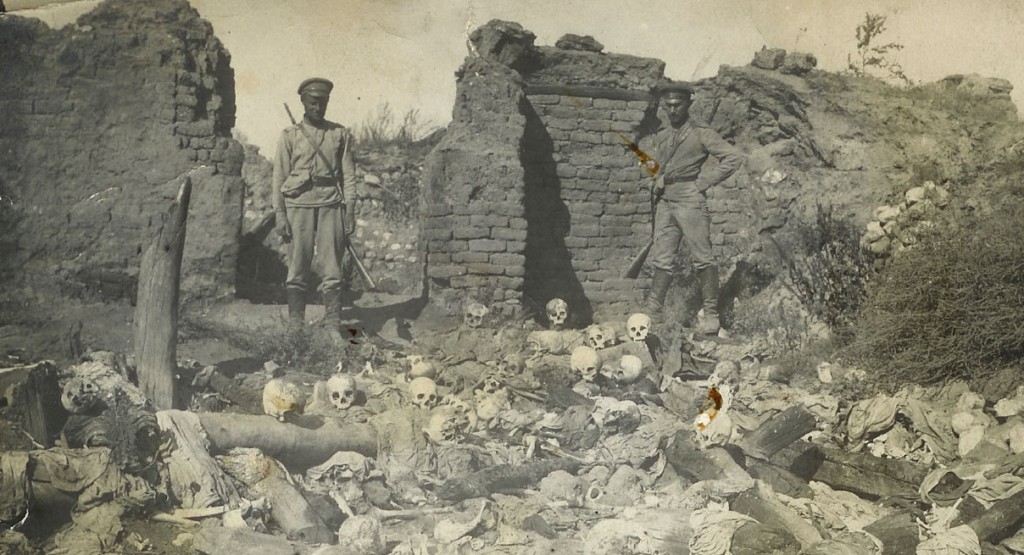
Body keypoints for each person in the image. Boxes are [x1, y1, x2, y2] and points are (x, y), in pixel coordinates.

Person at [639, 81, 743, 335]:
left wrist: (703, 182)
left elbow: (733, 157)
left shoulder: (700, 132)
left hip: (689, 197)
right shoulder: (663, 135)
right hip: (666, 198)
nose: (672, 110)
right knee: (662, 257)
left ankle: (711, 314)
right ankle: (653, 311)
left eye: (677, 105)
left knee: (702, 257)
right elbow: (654, 164)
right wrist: (654, 178)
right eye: (668, 106)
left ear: (688, 104)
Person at [272, 77, 357, 340]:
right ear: (303, 102)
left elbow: (349, 175)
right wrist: (280, 213)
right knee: (297, 267)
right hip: (298, 205)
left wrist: (350, 210)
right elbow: (279, 177)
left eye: (323, 102)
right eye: (313, 102)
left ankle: (332, 326)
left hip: (332, 205)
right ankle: (296, 325)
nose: (318, 108)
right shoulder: (290, 136)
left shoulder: (339, 134)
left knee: (332, 269)